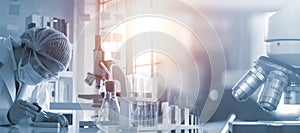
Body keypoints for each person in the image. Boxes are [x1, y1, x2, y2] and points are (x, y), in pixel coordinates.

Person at [0, 27, 72, 127]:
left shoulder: (40, 77)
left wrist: (44, 117)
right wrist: (8, 116)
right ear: (28, 49)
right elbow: (10, 116)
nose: (41, 77)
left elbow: (38, 109)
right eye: (42, 68)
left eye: (49, 75)